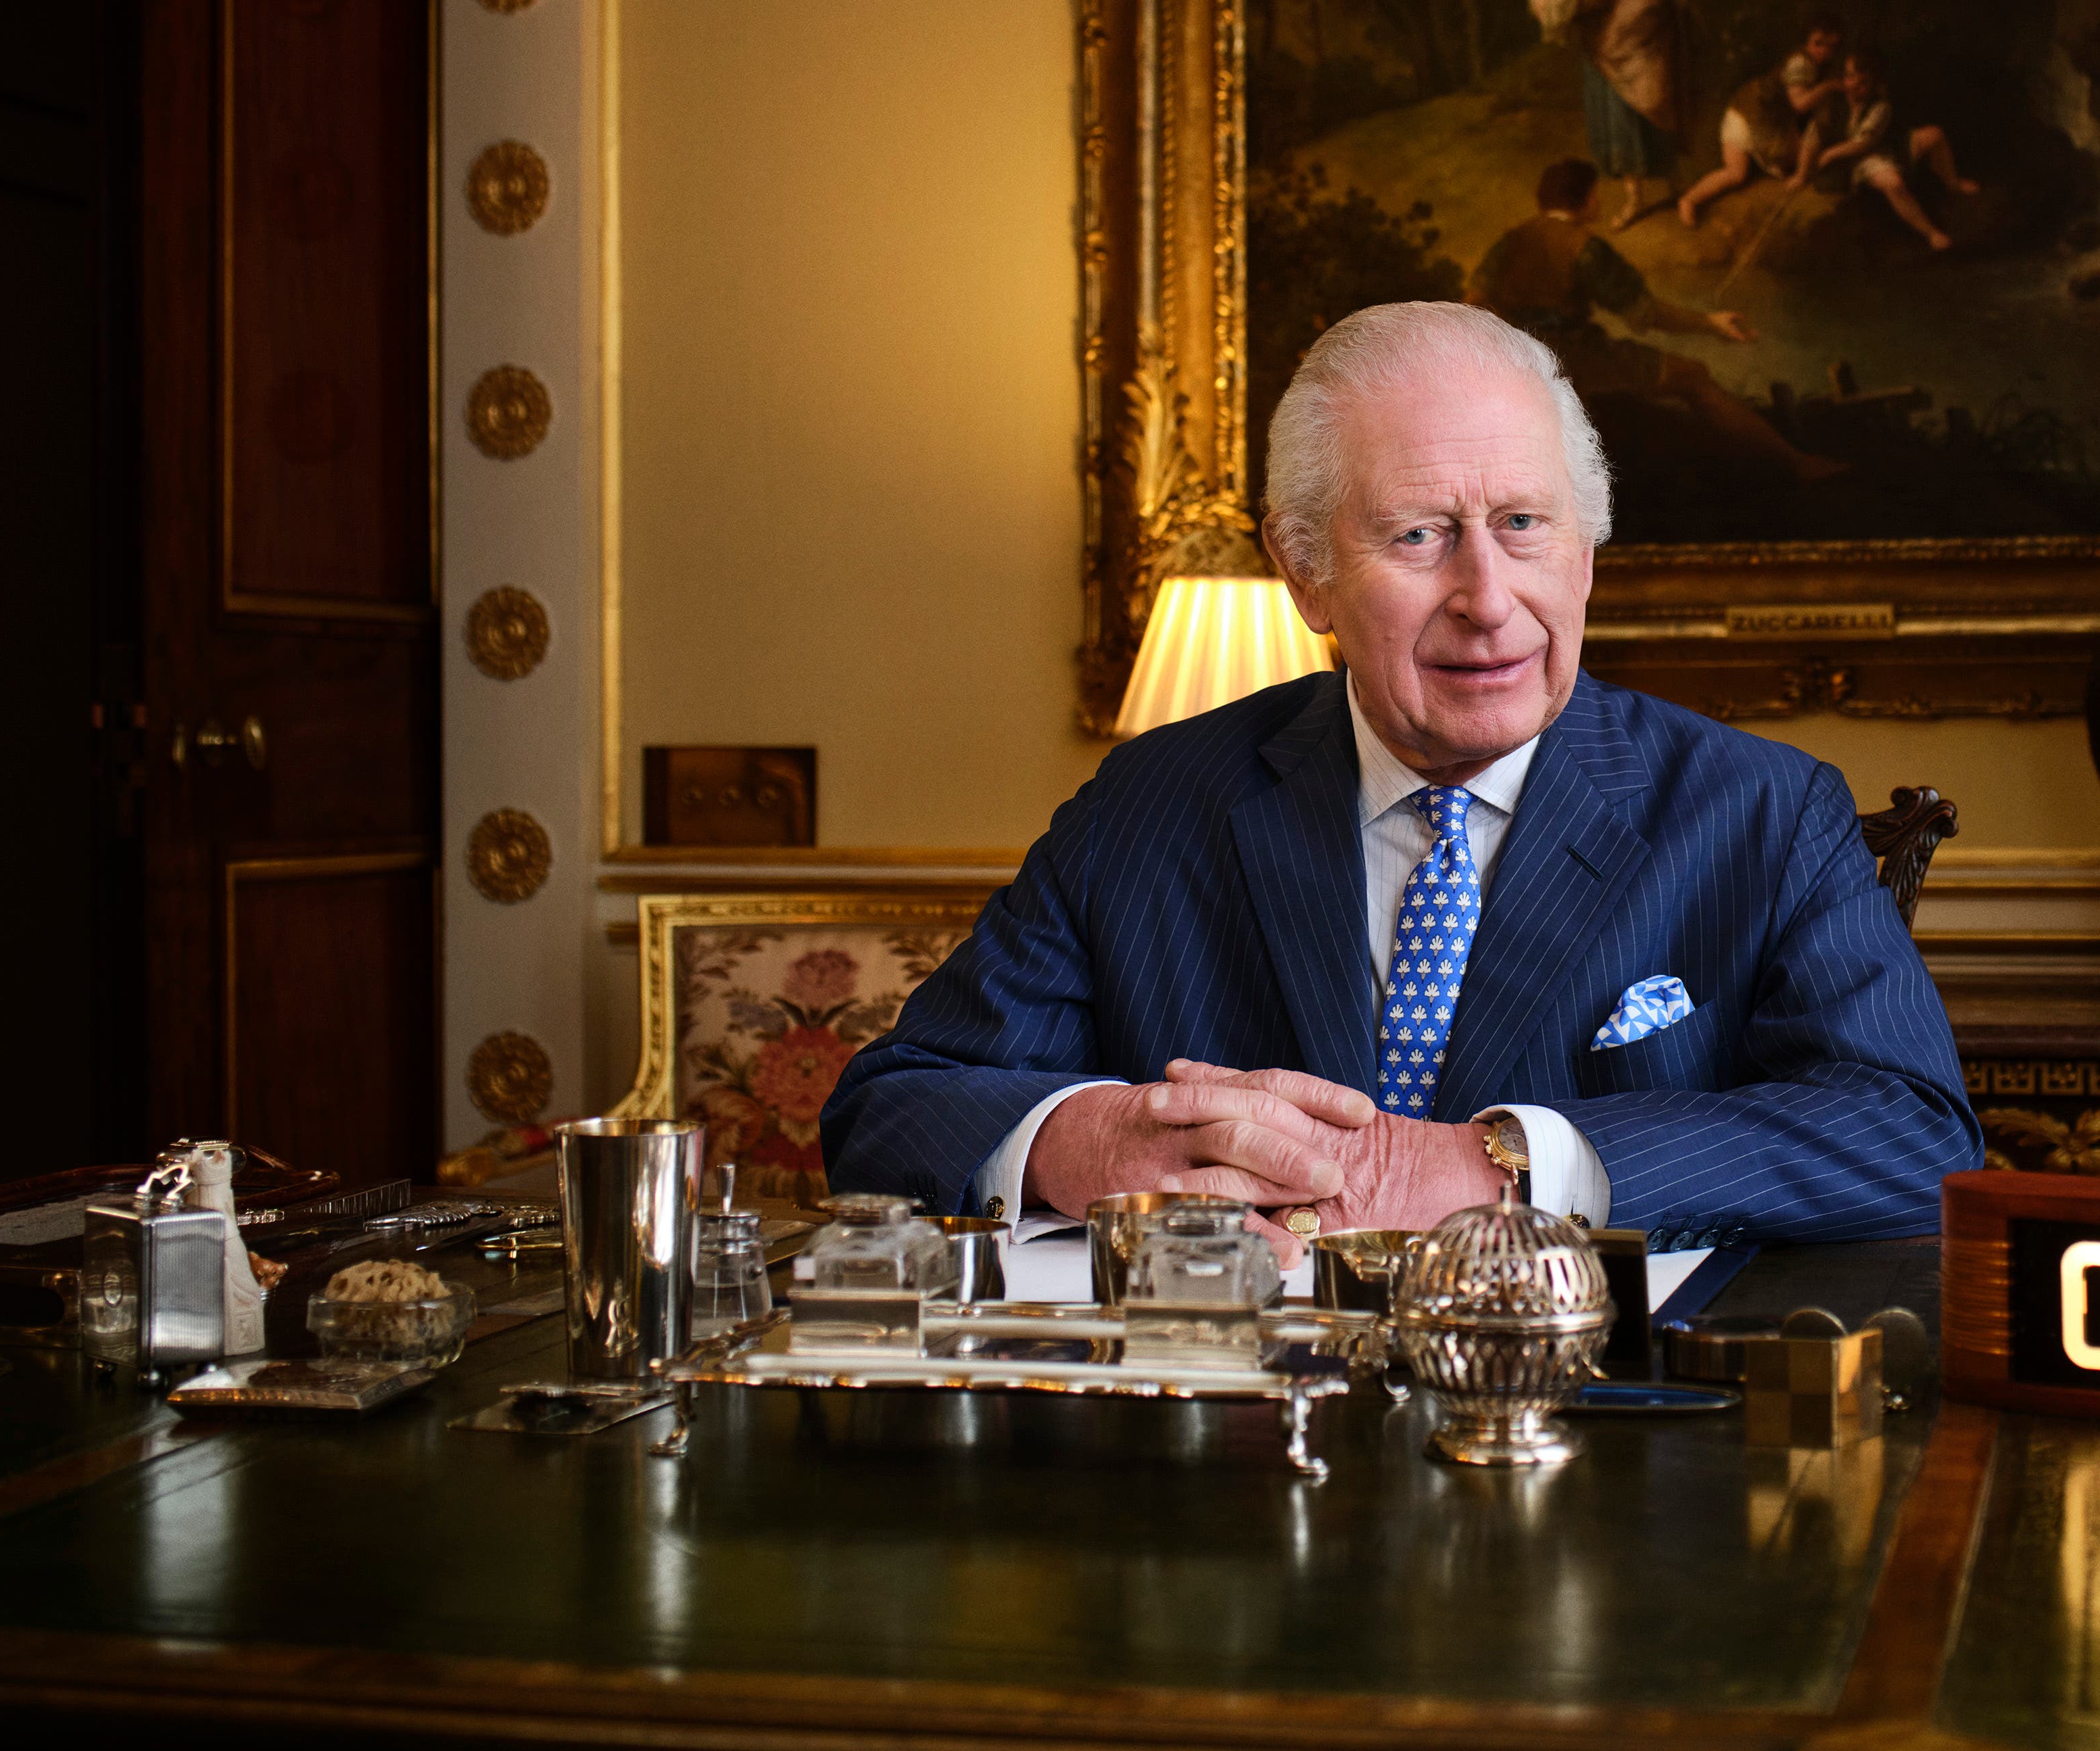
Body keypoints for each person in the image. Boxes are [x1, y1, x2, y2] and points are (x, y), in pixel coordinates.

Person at [819, 301, 1977, 1251]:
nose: (1487, 598)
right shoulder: (1150, 806)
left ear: (1585, 554)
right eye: (1418, 535)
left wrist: (1501, 1164)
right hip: (1248, 1427)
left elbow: (1911, 1135)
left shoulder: (1764, 813)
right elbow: (891, 1108)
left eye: (1523, 523)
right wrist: (1088, 1140)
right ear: (1305, 572)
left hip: (1599, 1424)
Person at [1473, 159, 1846, 485]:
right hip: (1576, 358)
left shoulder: (1510, 242)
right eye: (1596, 195)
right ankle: (1797, 464)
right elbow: (1646, 314)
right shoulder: (1584, 247)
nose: (1599, 202)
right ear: (1585, 199)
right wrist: (1710, 323)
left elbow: (1473, 303)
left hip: (1521, 360)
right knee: (1693, 376)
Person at [1531, 0, 1698, 231]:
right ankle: (1634, 196)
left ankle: (1674, 181)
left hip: (1648, 15)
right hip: (1608, 11)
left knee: (1656, 97)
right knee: (1617, 102)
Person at [1677, 13, 1846, 231]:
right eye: (1818, 43)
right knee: (1736, 173)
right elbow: (1800, 105)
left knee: (1796, 161)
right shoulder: (1801, 63)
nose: (1823, 51)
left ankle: (1691, 200)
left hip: (1768, 120)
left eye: (1830, 46)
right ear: (1807, 41)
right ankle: (1689, 200)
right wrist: (1828, 87)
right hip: (1748, 115)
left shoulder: (1822, 66)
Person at [1809, 49, 1979, 252]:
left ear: (1873, 84)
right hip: (1858, 160)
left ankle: (1953, 184)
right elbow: (1816, 132)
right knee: (1894, 183)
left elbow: (1865, 142)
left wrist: (1830, 153)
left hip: (1877, 147)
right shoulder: (1833, 102)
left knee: (1935, 135)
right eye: (1850, 77)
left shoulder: (1880, 106)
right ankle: (1931, 232)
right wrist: (1808, 167)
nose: (1853, 85)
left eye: (1863, 83)